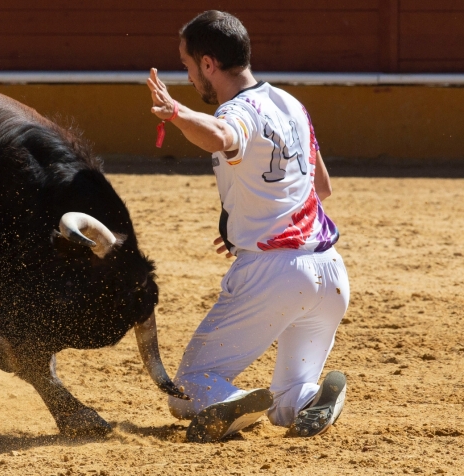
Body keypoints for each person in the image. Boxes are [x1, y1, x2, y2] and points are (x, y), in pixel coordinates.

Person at [147, 10, 350, 443]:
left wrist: (176, 113)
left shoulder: (239, 110)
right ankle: (305, 398)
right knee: (289, 400)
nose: (187, 76)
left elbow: (221, 135)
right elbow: (322, 187)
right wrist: (245, 220)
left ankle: (229, 402)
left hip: (274, 274)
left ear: (208, 64)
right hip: (330, 273)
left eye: (186, 65)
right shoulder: (291, 104)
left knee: (190, 387)